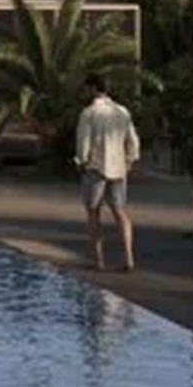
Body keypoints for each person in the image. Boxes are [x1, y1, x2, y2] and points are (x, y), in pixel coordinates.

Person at [75, 73, 140, 271]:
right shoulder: (122, 111)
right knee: (120, 212)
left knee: (93, 213)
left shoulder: (89, 113)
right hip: (118, 168)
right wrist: (130, 159)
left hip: (96, 168)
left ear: (93, 89)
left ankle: (98, 261)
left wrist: (81, 161)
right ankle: (129, 258)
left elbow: (83, 142)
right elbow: (133, 140)